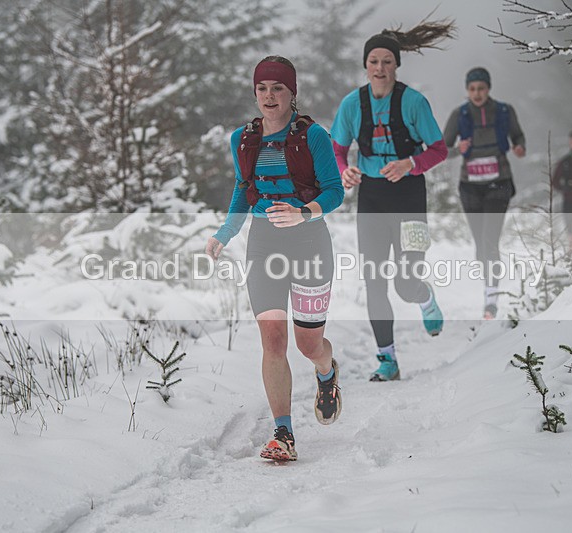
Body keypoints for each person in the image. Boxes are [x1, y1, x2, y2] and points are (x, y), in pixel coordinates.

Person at [206, 56, 345, 462]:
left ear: (291, 93)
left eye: (277, 88)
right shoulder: (243, 139)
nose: (269, 96)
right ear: (255, 93)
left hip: (309, 242)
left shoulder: (313, 136)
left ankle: (327, 372)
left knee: (308, 344)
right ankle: (283, 433)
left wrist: (304, 212)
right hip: (264, 243)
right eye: (262, 88)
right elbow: (242, 189)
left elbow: (334, 190)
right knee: (273, 339)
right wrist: (224, 233)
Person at [331, 22, 454, 382]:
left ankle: (423, 295)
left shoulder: (414, 102)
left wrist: (410, 163)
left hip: (410, 196)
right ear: (365, 65)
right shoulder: (352, 104)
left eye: (387, 61)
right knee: (374, 281)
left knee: (404, 283)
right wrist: (345, 171)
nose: (380, 68)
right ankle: (388, 359)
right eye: (374, 61)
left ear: (396, 65)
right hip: (371, 196)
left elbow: (439, 149)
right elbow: (337, 150)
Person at [442, 67, 526, 320]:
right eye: (472, 89)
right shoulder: (459, 115)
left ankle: (491, 300)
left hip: (499, 183)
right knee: (481, 245)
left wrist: (520, 146)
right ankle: (490, 284)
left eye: (481, 88)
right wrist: (458, 149)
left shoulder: (504, 111)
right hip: (470, 187)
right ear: (467, 91)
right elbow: (442, 150)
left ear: (488, 88)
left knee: (490, 240)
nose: (477, 93)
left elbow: (518, 136)